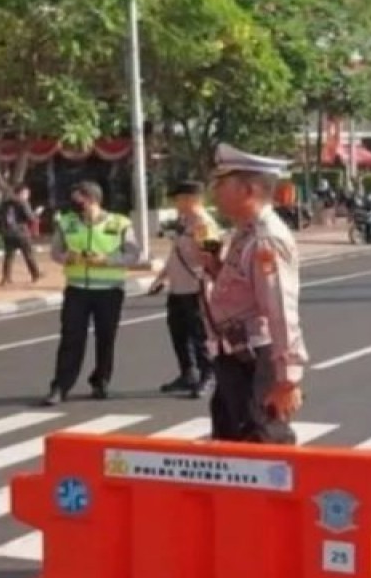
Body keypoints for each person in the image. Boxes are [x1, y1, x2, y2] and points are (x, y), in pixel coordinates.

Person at [201, 143, 308, 443]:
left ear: (247, 190)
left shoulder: (266, 240)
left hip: (255, 359)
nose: (215, 193)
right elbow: (242, 288)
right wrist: (214, 267)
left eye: (221, 184)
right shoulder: (245, 232)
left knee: (262, 443)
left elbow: (280, 310)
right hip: (233, 355)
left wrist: (287, 377)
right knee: (232, 442)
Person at [40, 181, 142, 406]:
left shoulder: (119, 223)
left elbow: (133, 255)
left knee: (106, 338)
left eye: (79, 199)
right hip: (77, 290)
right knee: (71, 338)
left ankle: (101, 381)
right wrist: (69, 258)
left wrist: (106, 260)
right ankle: (60, 386)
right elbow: (56, 252)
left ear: (92, 199)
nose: (74, 204)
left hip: (109, 291)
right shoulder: (67, 223)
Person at [148, 180, 220, 399]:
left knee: (200, 335)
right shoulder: (184, 222)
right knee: (179, 332)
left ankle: (209, 376)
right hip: (178, 288)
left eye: (179, 198)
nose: (176, 203)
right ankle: (188, 373)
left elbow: (212, 257)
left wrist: (206, 280)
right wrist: (161, 278)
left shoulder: (203, 224)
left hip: (195, 287)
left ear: (192, 199)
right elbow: (175, 253)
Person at [0, 183, 41, 285]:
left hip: (7, 233)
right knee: (28, 254)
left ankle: (6, 278)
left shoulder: (4, 203)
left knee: (8, 257)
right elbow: (30, 218)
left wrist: (0, 231)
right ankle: (35, 274)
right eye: (27, 193)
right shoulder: (23, 202)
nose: (28, 195)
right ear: (22, 192)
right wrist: (36, 213)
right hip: (21, 233)